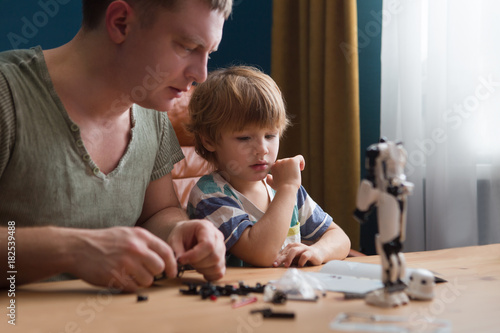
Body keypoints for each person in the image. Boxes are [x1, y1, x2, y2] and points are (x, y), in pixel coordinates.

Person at [0, 0, 233, 292]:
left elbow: (157, 213)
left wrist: (180, 231)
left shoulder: (152, 109)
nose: (201, 74)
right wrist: (73, 250)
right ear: (121, 22)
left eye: (209, 53)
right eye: (187, 47)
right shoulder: (6, 93)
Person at [187, 66, 351, 267]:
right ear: (209, 141)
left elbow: (340, 237)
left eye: (270, 136)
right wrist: (288, 189)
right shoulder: (209, 196)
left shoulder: (284, 188)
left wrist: (318, 250)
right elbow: (262, 254)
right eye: (245, 138)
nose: (262, 150)